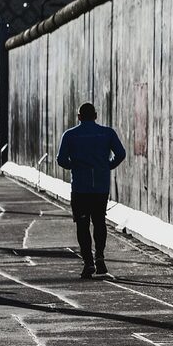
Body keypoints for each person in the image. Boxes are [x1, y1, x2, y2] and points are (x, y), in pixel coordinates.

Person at [56, 102, 126, 278]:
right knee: (100, 221)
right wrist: (107, 166)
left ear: (79, 117)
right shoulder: (107, 133)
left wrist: (75, 166)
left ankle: (88, 262)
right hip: (100, 187)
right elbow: (121, 154)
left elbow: (61, 160)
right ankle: (100, 256)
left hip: (80, 187)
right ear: (95, 115)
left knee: (82, 224)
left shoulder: (70, 135)